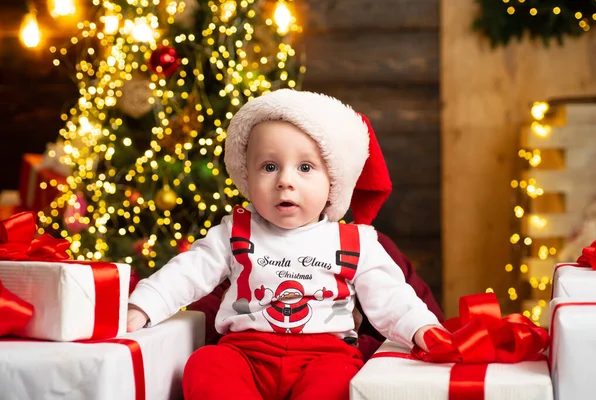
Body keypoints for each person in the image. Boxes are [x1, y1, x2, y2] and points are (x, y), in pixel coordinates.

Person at [127, 89, 443, 400]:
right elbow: (189, 271)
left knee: (342, 380)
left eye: (305, 168)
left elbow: (391, 296)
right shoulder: (236, 232)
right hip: (247, 354)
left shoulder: (354, 241)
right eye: (269, 166)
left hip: (325, 356)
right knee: (205, 364)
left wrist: (422, 328)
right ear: (246, 178)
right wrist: (144, 305)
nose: (285, 181)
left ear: (333, 182)